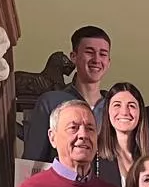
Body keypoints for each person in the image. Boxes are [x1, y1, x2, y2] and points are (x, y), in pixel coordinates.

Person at [24, 26, 112, 162]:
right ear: (73, 57)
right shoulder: (51, 102)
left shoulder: (113, 108)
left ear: (108, 62)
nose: (96, 59)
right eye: (89, 52)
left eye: (103, 54)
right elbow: (32, 161)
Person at [96, 83, 149, 187]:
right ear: (107, 111)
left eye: (131, 106)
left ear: (140, 113)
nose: (124, 112)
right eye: (117, 105)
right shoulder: (93, 156)